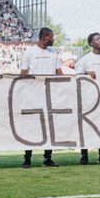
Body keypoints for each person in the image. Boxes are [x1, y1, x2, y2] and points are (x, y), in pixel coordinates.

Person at [19, 27, 62, 168]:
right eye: (51, 37)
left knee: (50, 127)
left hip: (50, 96)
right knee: (31, 127)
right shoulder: (30, 52)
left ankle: (47, 158)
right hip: (33, 96)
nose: (53, 39)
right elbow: (23, 73)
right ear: (44, 37)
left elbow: (59, 72)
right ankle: (27, 158)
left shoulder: (53, 53)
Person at [75, 32, 100, 165]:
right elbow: (77, 76)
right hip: (89, 99)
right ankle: (84, 155)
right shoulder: (85, 59)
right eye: (97, 39)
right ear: (91, 43)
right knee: (86, 127)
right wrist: (87, 73)